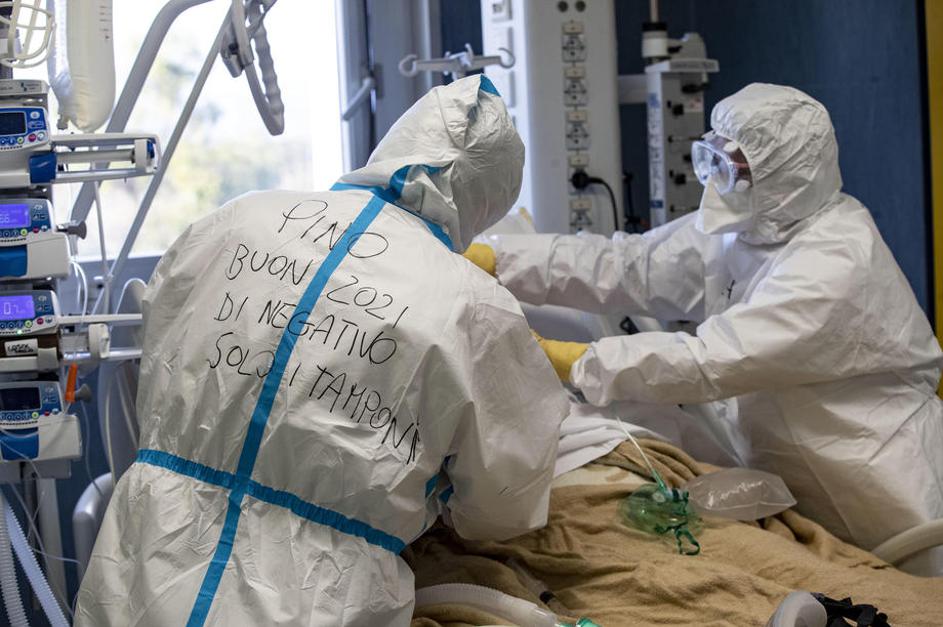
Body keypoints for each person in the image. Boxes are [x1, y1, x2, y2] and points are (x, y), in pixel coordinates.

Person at [75, 74, 568, 626]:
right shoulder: (477, 308)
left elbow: (157, 348)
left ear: (395, 144)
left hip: (146, 560)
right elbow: (502, 506)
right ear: (488, 201)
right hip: (319, 597)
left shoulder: (233, 220)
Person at [465, 83, 943, 574]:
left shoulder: (837, 261)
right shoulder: (750, 224)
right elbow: (628, 264)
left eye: (730, 167)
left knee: (912, 596)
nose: (714, 180)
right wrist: (499, 259)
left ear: (784, 176)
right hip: (795, 474)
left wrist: (571, 361)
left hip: (882, 490)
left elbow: (710, 360)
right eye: (711, 157)